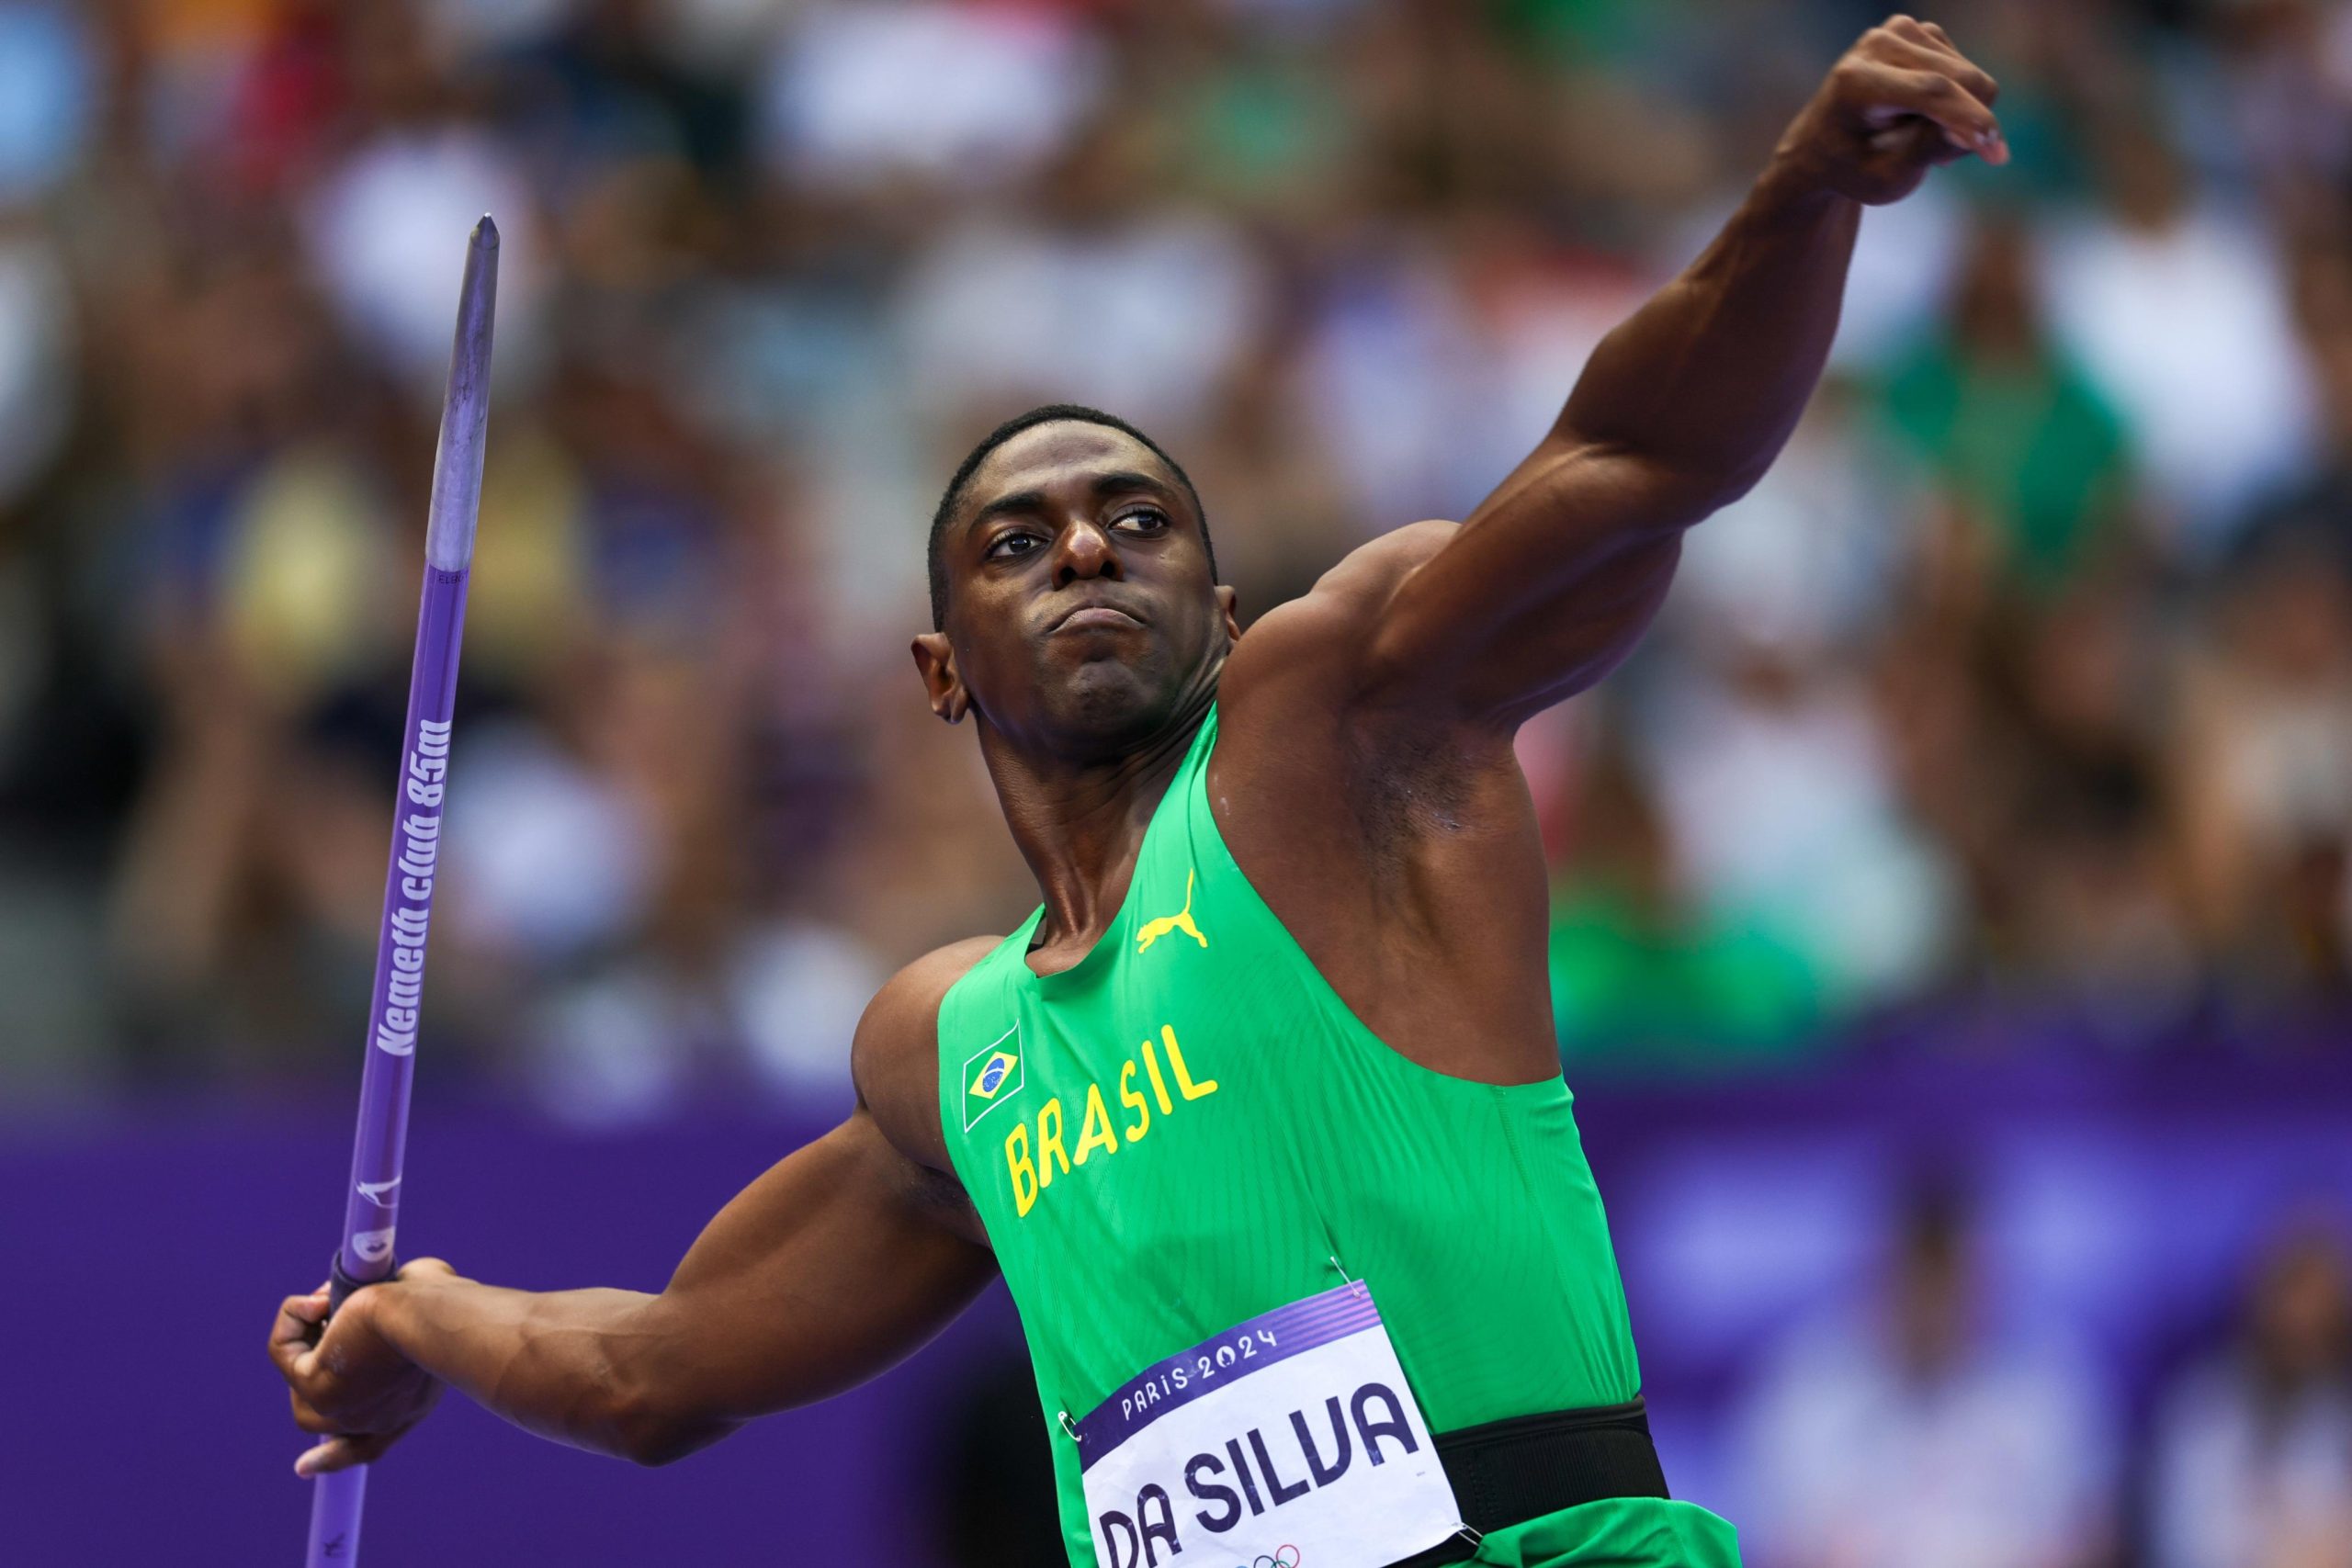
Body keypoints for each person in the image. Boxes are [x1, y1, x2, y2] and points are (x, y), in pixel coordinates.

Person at [270, 18, 2007, 1567]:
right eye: (1017, 544)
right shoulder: (950, 1052)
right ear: (942, 667)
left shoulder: (1337, 735)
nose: (1088, 545)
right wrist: (421, 1320)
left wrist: (1801, 200)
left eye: (1141, 521)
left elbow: (1644, 458)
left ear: (1226, 608)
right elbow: (654, 1374)